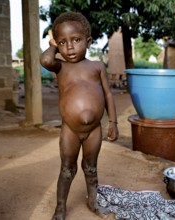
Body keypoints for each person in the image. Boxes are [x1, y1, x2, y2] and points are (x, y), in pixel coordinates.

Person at [40, 11, 119, 220]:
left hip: (94, 129)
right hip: (70, 130)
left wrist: (113, 121)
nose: (70, 47)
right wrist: (52, 45)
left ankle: (93, 203)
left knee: (91, 168)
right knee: (67, 169)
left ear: (88, 41)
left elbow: (109, 95)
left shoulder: (96, 66)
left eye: (75, 40)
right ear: (57, 44)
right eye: (63, 42)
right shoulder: (61, 66)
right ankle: (60, 208)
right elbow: (46, 60)